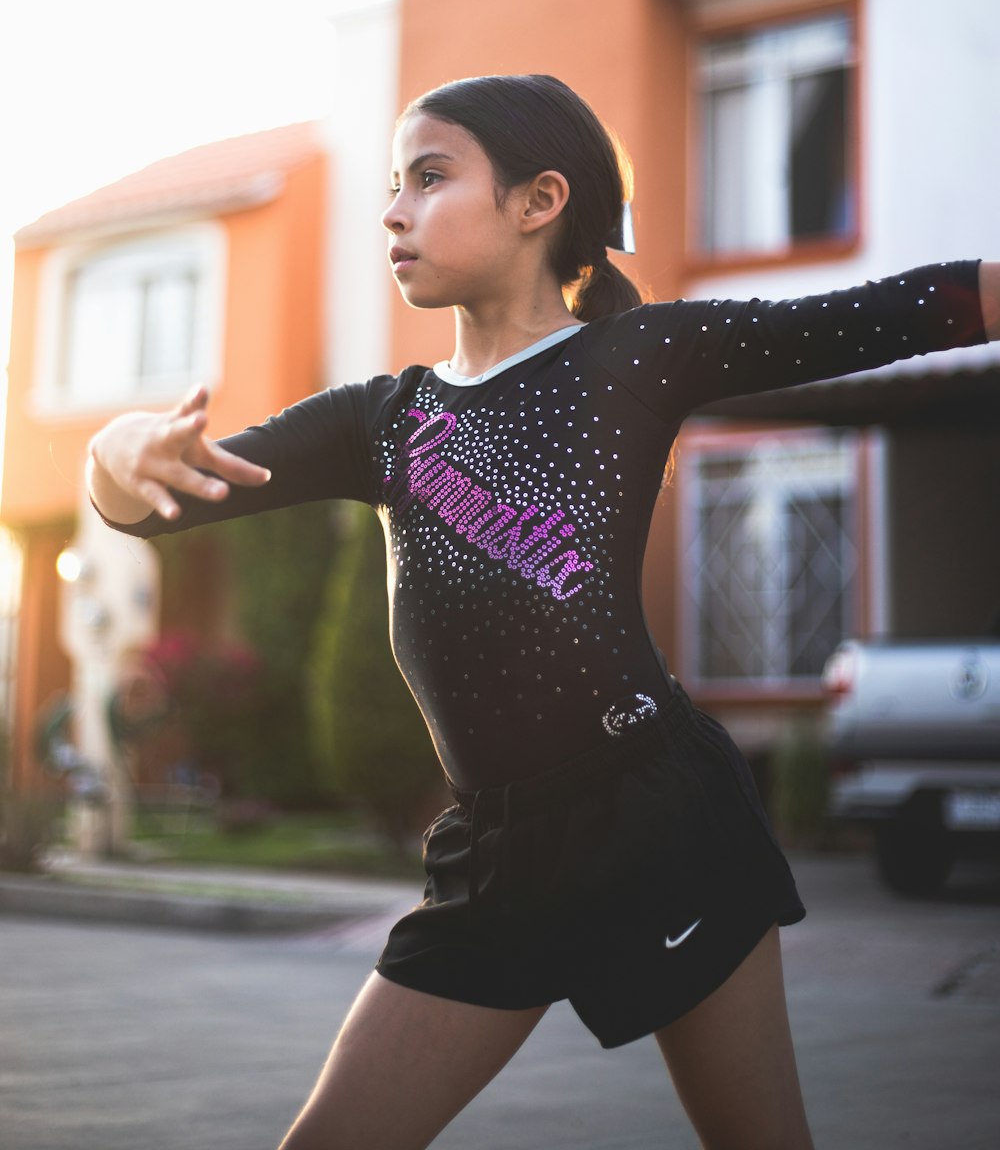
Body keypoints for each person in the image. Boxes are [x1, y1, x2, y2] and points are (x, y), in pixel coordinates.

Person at [87, 74, 1000, 1150]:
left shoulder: (634, 357)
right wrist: (117, 453)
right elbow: (153, 504)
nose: (394, 210)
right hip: (494, 855)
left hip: (661, 820)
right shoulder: (382, 420)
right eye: (393, 185)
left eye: (429, 178)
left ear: (538, 201)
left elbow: (879, 315)